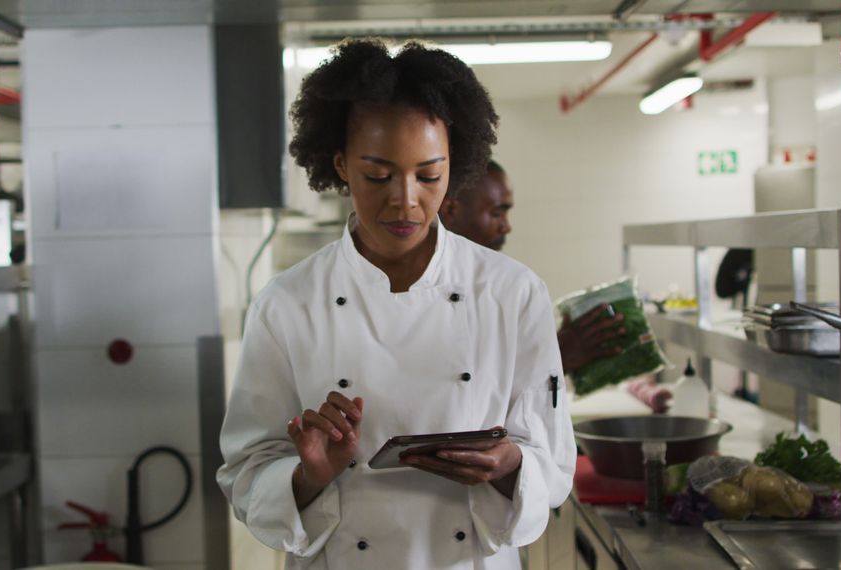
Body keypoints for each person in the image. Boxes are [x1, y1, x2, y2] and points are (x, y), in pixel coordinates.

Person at [216, 39, 575, 570]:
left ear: (455, 167)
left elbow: (552, 465)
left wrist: (508, 465)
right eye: (378, 175)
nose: (406, 199)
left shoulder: (513, 293)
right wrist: (309, 472)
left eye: (429, 175)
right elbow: (246, 472)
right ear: (340, 165)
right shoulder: (287, 304)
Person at [440, 162, 628, 376]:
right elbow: (465, 389)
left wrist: (553, 352)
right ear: (450, 210)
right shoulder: (424, 290)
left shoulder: (495, 286)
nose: (506, 226)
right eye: (496, 213)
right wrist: (559, 355)